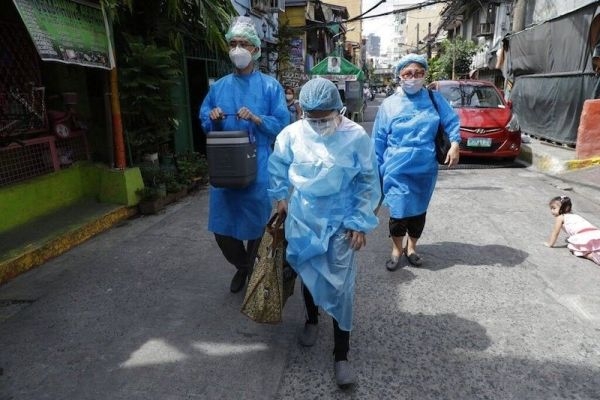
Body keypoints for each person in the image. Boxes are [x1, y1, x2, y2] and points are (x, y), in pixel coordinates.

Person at [268, 77, 381, 388]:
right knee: (308, 272)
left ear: (338, 110)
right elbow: (277, 166)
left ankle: (341, 354)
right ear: (302, 112)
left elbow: (367, 180)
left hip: (342, 222)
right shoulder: (292, 134)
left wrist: (359, 222)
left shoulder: (355, 136)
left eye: (325, 119)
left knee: (341, 287)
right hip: (304, 218)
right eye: (313, 119)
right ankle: (311, 319)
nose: (319, 125)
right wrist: (280, 197)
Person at [199, 16, 289, 293]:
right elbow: (204, 118)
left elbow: (282, 124)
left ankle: (251, 272)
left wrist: (258, 118)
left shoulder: (270, 87)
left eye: (244, 44)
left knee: (257, 227)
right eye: (233, 43)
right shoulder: (219, 87)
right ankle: (244, 267)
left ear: (255, 49)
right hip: (225, 165)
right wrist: (212, 117)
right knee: (222, 230)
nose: (238, 49)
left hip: (258, 165)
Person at [372, 53, 460, 271]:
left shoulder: (434, 99)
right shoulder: (389, 105)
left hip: (425, 168)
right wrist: (375, 172)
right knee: (398, 213)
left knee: (419, 212)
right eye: (408, 73)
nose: (413, 77)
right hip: (396, 169)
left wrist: (455, 143)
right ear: (399, 76)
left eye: (418, 73)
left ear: (425, 74)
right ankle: (396, 249)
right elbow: (378, 141)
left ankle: (411, 248)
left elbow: (451, 121)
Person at [544, 196, 600, 265]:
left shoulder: (560, 217)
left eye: (554, 208)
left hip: (583, 236)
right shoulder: (574, 215)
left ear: (566, 208)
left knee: (575, 249)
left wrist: (550, 244)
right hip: (595, 234)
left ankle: (591, 256)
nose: (552, 211)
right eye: (551, 208)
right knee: (595, 247)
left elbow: (555, 232)